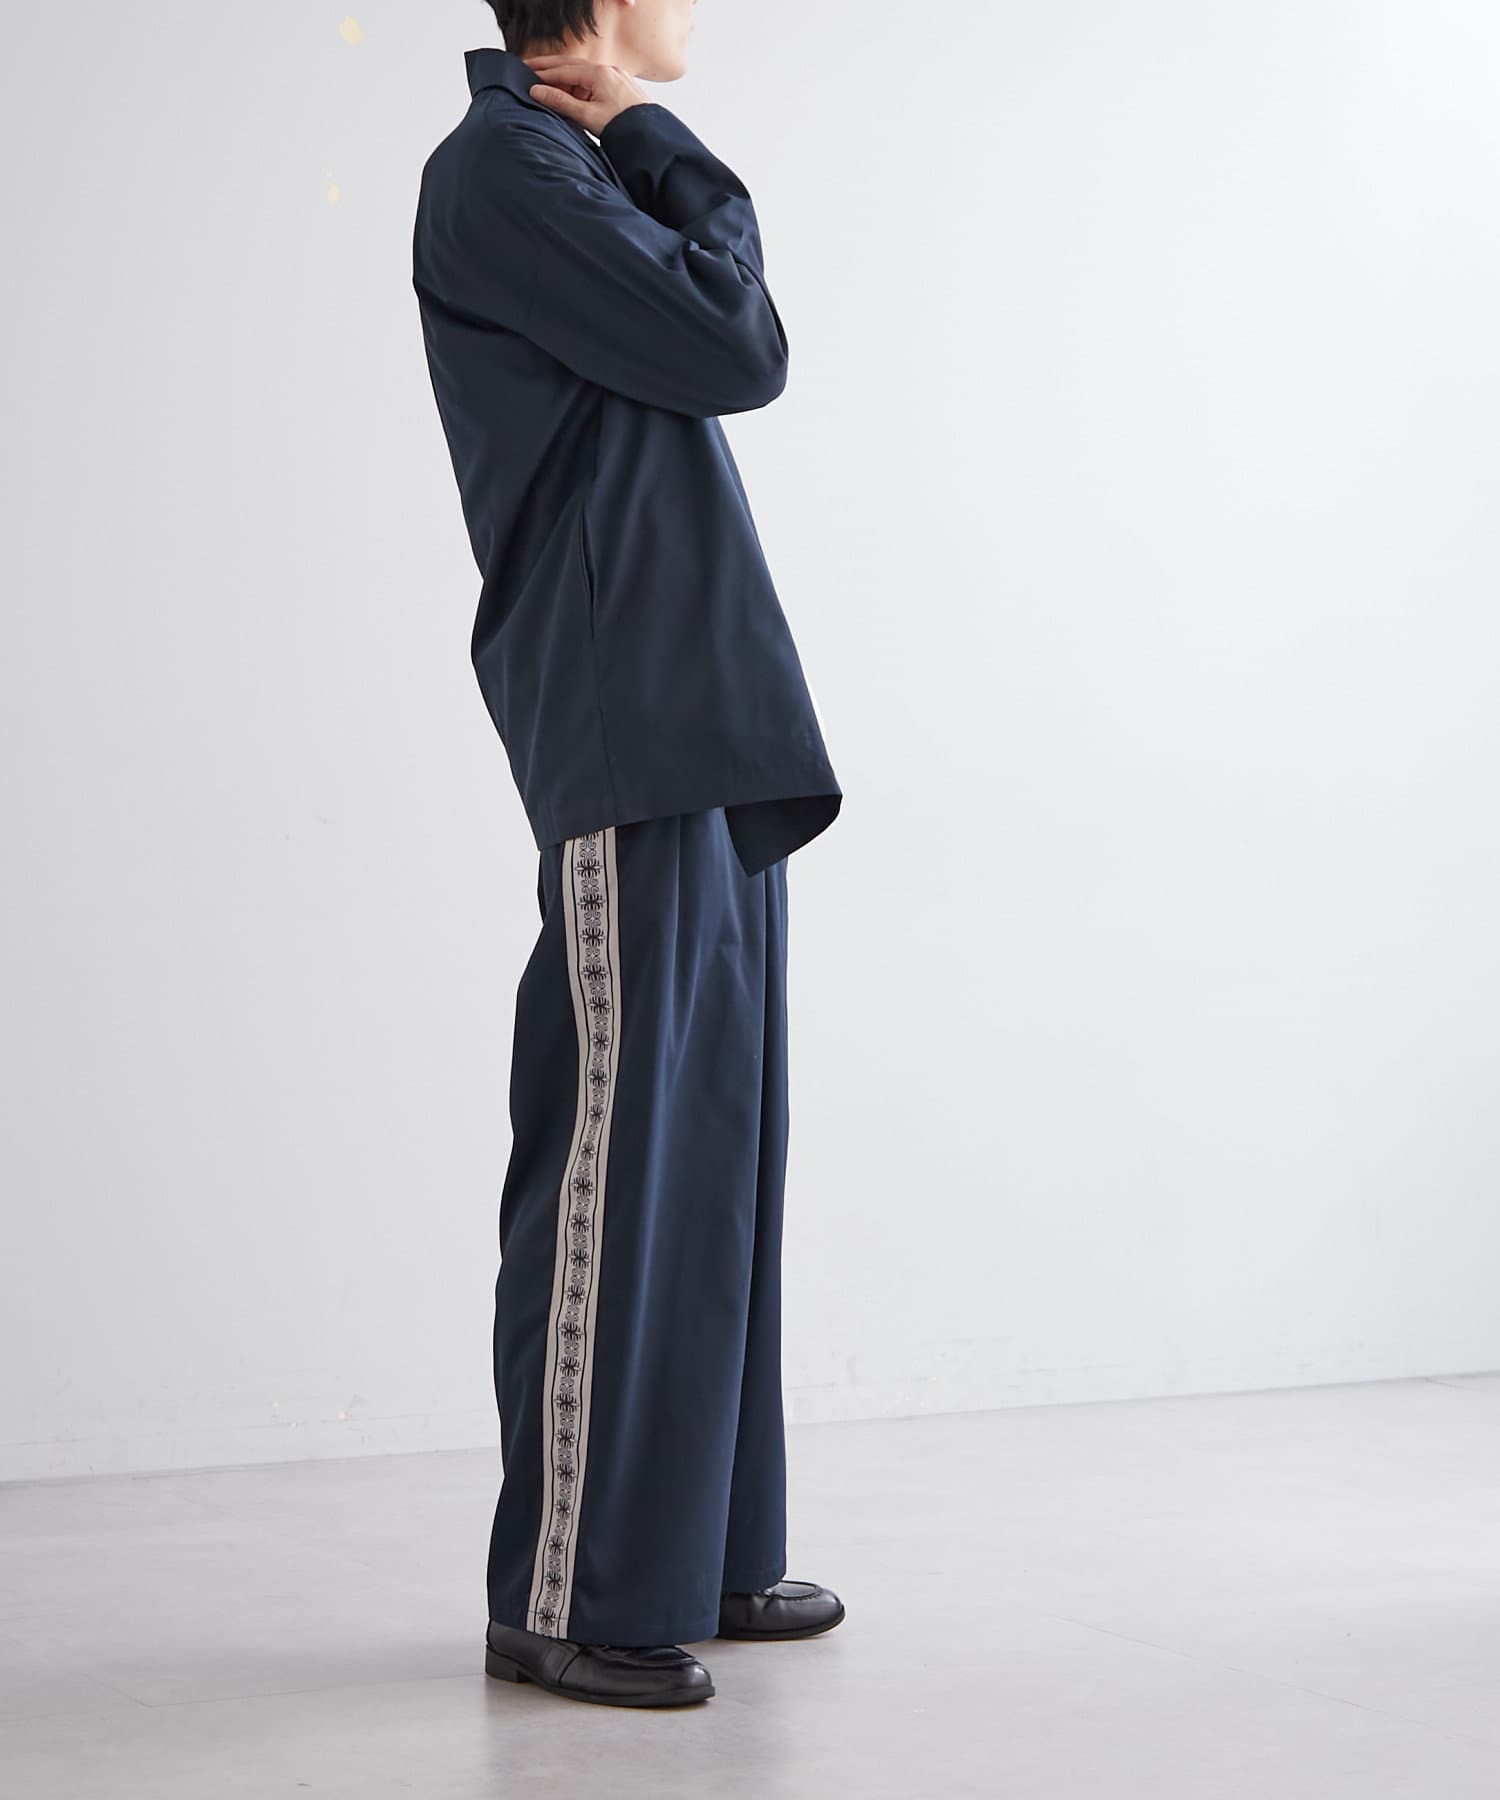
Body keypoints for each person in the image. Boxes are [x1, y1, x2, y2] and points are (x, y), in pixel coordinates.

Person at [411, 0, 844, 1709]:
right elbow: (739, 343)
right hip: (627, 707)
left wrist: (636, 148)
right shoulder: (509, 170)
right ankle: (571, 1592)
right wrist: (660, 141)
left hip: (710, 715)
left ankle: (700, 1554)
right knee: (616, 1152)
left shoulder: (565, 166)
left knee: (715, 1154)